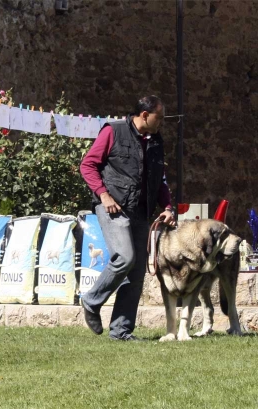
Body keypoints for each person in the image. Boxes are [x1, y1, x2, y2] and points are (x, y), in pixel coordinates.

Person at [79, 95, 176, 341]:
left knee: (136, 273)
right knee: (125, 257)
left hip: (141, 211)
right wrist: (104, 196)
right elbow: (88, 165)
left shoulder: (156, 141)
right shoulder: (114, 131)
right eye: (159, 117)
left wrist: (167, 206)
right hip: (113, 207)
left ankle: (121, 331)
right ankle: (91, 300)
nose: (162, 122)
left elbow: (160, 178)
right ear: (144, 115)